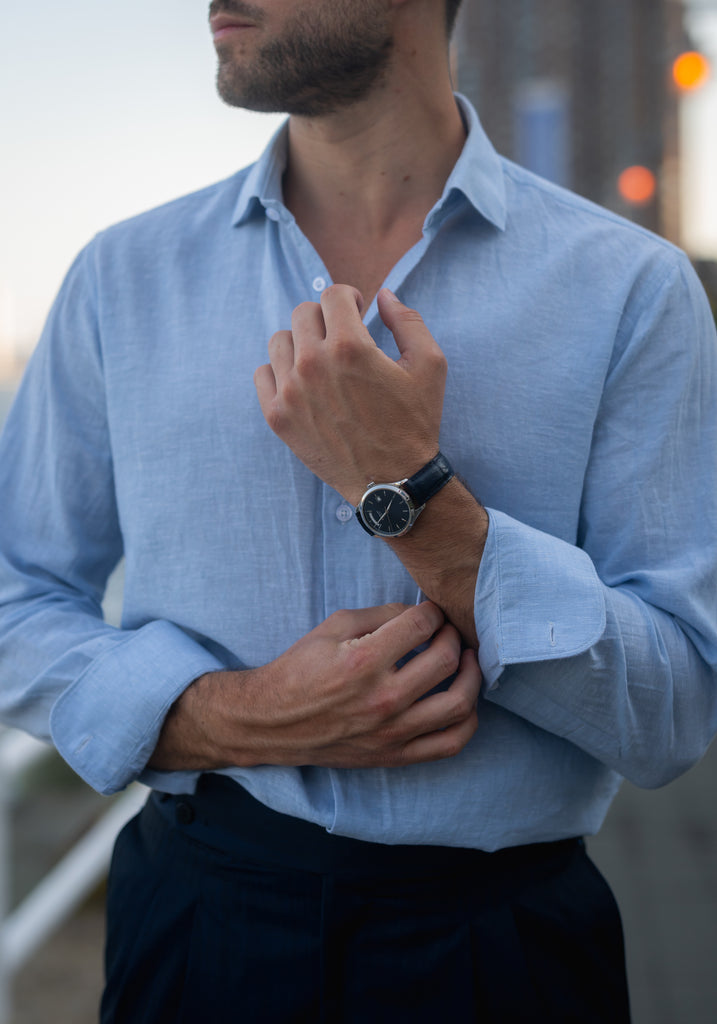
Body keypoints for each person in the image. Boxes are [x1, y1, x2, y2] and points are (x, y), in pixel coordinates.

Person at [1, 0, 716, 1020]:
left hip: (505, 956)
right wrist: (232, 716)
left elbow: (676, 712)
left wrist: (414, 498)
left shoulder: (631, 293)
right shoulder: (123, 278)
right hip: (195, 929)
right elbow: (12, 599)